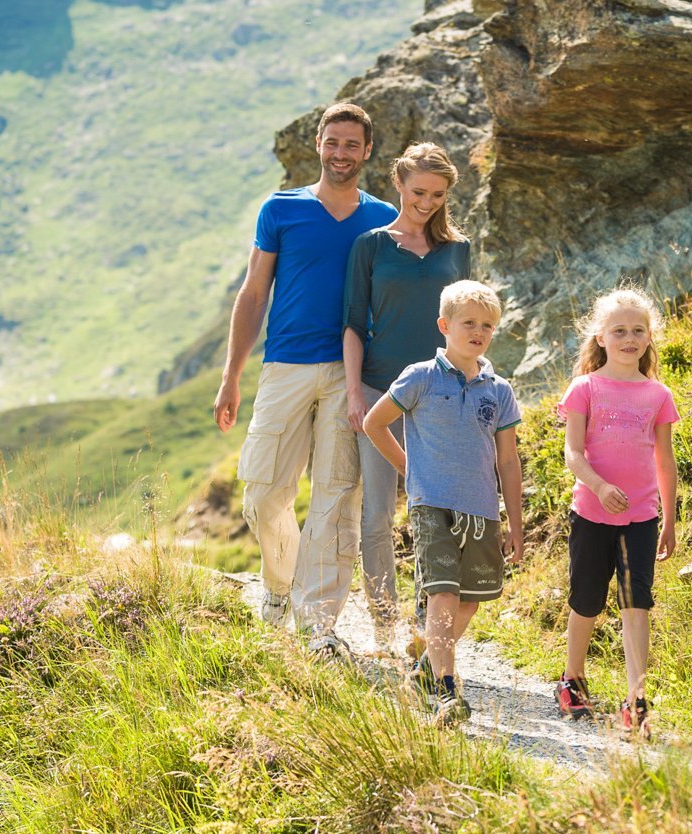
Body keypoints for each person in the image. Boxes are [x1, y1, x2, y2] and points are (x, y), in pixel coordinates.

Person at [212, 102, 399, 645]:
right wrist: (231, 376)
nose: (341, 154)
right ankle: (279, 583)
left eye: (352, 145)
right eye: (332, 142)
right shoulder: (280, 210)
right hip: (285, 366)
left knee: (337, 498)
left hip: (351, 373)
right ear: (318, 144)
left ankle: (317, 627)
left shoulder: (383, 218)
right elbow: (252, 295)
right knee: (264, 491)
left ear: (367, 151)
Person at [362, 280, 524, 725]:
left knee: (470, 600)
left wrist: (515, 522)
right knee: (443, 592)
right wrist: (408, 472)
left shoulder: (499, 390)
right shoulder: (420, 377)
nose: (478, 331)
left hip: (482, 510)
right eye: (468, 323)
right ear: (444, 325)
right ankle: (447, 690)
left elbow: (508, 461)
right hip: (431, 503)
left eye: (487, 325)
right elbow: (375, 424)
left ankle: (424, 671)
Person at [342, 142, 474, 653]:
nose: (427, 202)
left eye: (437, 195)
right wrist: (355, 392)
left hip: (441, 395)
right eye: (418, 191)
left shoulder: (457, 250)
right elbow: (353, 323)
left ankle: (427, 630)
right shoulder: (371, 245)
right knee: (377, 513)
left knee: (436, 511)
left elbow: (467, 324)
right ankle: (382, 626)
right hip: (380, 391)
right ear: (398, 183)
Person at [553, 288, 679, 735]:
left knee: (636, 602)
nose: (630, 338)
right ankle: (572, 679)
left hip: (642, 518)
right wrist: (600, 486)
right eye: (619, 330)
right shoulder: (585, 388)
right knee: (587, 600)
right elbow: (572, 453)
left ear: (649, 338)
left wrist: (669, 517)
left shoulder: (658, 394)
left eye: (638, 330)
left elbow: (665, 461)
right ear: (601, 337)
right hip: (590, 512)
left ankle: (636, 700)